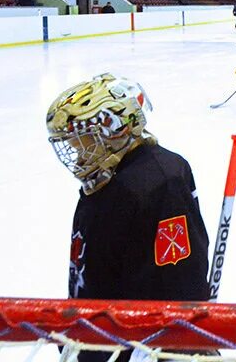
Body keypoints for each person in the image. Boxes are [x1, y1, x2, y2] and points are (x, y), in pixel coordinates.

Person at [47, 74, 211, 361]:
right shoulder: (107, 178)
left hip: (135, 344)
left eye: (82, 140)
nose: (76, 152)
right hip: (98, 335)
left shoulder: (160, 183)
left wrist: (171, 347)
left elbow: (181, 280)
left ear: (116, 129)